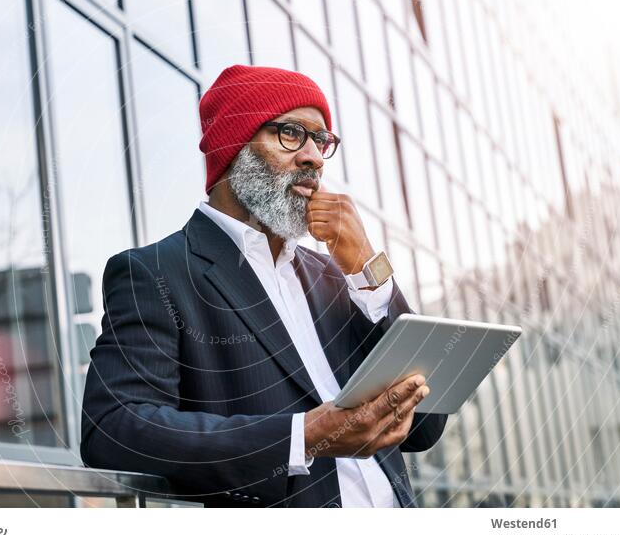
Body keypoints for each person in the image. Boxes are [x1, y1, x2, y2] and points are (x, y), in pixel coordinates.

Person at [81, 64, 447, 507]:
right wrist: (301, 438)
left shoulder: (336, 275)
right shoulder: (156, 273)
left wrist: (369, 267)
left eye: (321, 140)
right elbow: (114, 428)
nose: (313, 156)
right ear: (235, 147)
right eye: (291, 134)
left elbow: (424, 427)